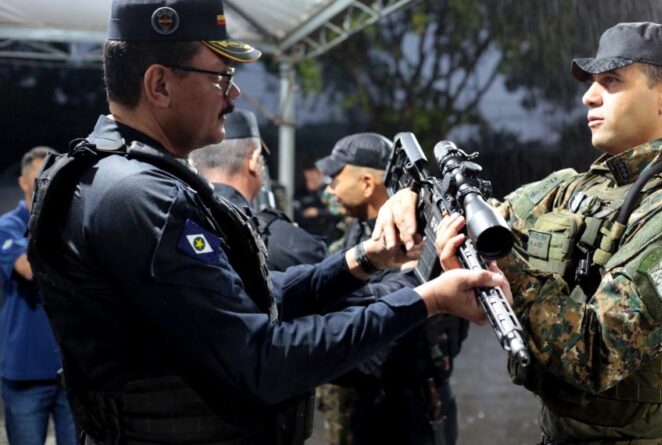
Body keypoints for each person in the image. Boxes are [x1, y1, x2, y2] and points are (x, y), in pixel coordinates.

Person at [25, 1, 509, 444]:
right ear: (160, 85)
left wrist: (364, 259)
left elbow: (253, 295)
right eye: (221, 77)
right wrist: (427, 300)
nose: (234, 94)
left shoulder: (112, 174)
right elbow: (261, 362)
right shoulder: (143, 198)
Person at [374, 22, 662, 444]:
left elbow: (598, 354)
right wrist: (409, 201)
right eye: (592, 83)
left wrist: (502, 263)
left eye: (612, 81)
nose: (589, 96)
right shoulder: (570, 189)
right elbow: (476, 215)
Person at [315, 134, 466, 445]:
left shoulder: (413, 239)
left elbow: (385, 347)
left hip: (408, 408)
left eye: (336, 179)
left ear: (367, 183)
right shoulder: (357, 230)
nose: (329, 189)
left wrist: (301, 354)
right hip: (367, 404)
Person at [0, 147, 77, 445]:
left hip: (72, 370)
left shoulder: (71, 223)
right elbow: (28, 269)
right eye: (39, 179)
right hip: (26, 371)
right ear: (23, 182)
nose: (46, 184)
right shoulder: (8, 227)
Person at [190, 109, 328, 271]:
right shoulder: (285, 241)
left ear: (192, 162)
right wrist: (290, 236)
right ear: (254, 161)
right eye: (262, 160)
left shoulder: (176, 223)